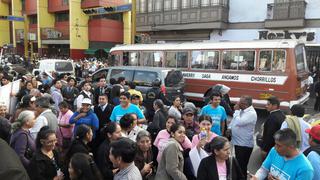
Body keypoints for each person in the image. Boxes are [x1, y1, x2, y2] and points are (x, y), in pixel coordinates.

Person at [229, 95, 257, 177]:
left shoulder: (251, 113)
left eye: (239, 102)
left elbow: (239, 122)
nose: (237, 103)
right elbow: (234, 121)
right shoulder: (242, 110)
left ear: (244, 104)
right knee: (237, 165)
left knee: (241, 167)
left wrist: (236, 111)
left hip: (244, 145)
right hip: (238, 143)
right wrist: (230, 128)